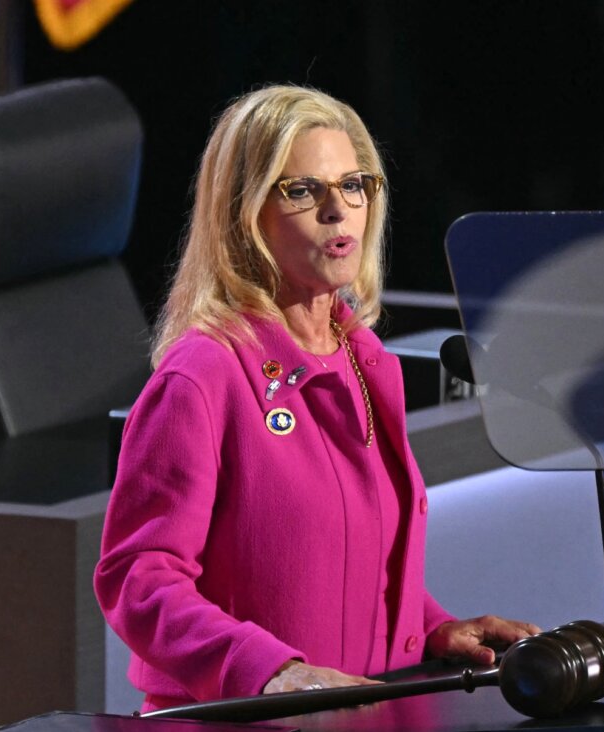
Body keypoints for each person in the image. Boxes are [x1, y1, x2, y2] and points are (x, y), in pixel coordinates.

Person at [94, 84, 539, 712]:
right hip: (243, 721)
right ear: (243, 215)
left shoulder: (365, 361)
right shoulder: (202, 377)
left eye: (354, 184)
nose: (339, 210)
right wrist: (269, 672)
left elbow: (350, 559)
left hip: (365, 716)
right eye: (303, 190)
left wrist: (433, 627)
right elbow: (138, 579)